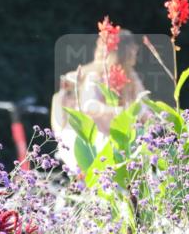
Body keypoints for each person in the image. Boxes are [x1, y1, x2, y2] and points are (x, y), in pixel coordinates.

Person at [50, 29, 148, 173]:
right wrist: (118, 111)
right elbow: (89, 105)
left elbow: (143, 101)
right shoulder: (95, 74)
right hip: (89, 140)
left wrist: (149, 116)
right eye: (132, 50)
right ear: (120, 52)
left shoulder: (131, 75)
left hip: (116, 137)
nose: (135, 52)